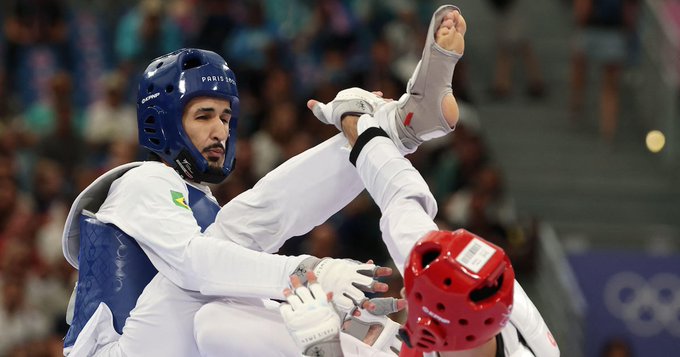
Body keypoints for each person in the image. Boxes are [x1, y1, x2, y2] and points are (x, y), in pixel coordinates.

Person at [61, 48, 392, 357]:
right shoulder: (143, 180)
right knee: (234, 237)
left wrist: (332, 314)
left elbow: (230, 291)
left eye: (225, 117)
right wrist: (307, 274)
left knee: (224, 309)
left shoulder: (201, 202)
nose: (221, 131)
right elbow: (196, 265)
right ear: (163, 122)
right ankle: (375, 138)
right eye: (204, 116)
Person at [278, 5, 560, 354]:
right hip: (469, 291)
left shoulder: (472, 313)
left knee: (222, 326)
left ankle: (388, 120)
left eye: (413, 293)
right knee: (403, 212)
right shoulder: (486, 296)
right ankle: (394, 120)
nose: (402, 293)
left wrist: (325, 348)